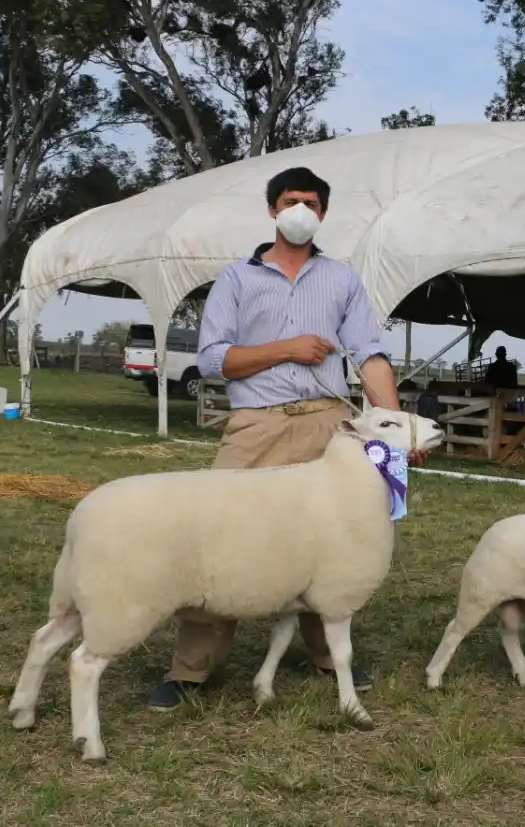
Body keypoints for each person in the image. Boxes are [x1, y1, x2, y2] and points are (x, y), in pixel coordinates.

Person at [147, 166, 427, 711]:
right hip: (257, 423)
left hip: (330, 424)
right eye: (291, 200)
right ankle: (191, 669)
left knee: (338, 537)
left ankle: (329, 655)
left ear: (323, 213)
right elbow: (212, 359)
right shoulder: (236, 278)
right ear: (273, 209)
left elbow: (368, 356)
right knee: (217, 535)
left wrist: (396, 426)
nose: (301, 209)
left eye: (312, 202)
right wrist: (287, 348)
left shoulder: (343, 280)